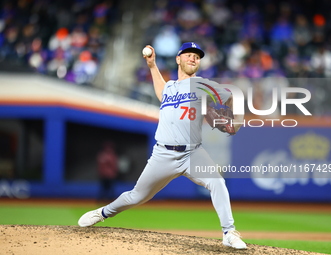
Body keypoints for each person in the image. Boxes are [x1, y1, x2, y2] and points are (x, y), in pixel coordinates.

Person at [78, 42, 247, 249]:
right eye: (188, 54)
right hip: (163, 154)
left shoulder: (204, 85)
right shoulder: (170, 88)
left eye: (197, 56)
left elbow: (232, 97)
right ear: (178, 59)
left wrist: (235, 121)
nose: (193, 58)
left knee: (217, 183)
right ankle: (102, 213)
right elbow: (161, 91)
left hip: (192, 153)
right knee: (136, 196)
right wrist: (152, 66)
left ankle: (229, 232)